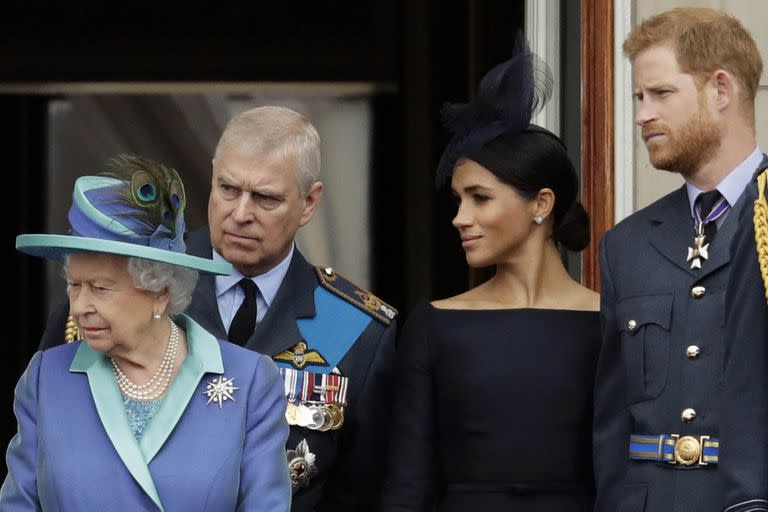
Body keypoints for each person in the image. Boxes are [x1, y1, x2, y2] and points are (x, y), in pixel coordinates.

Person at [39, 107, 397, 511]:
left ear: (309, 203)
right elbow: (45, 454)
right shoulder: (134, 279)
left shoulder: (353, 326)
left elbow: (366, 495)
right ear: (211, 178)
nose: (241, 214)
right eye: (228, 189)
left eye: (265, 198)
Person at [379, 35, 600, 512]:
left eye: (479, 198)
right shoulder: (434, 324)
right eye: (458, 200)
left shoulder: (611, 322)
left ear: (541, 204)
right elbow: (406, 483)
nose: (459, 217)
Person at [2, 154, 291, 511]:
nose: (80, 306)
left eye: (101, 288)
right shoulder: (46, 379)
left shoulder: (250, 383)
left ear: (159, 293)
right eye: (75, 285)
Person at [593, 8, 764, 512]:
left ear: (721, 90)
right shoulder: (625, 244)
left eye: (661, 94)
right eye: (639, 98)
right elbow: (611, 424)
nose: (642, 114)